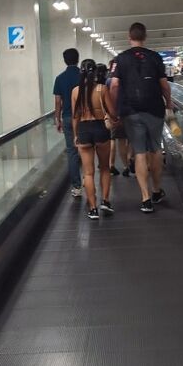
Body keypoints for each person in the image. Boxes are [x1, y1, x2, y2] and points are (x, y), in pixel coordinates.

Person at [110, 22, 172, 213]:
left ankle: (145, 199)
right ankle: (156, 190)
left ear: (129, 37)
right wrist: (169, 104)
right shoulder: (155, 57)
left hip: (131, 111)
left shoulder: (121, 59)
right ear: (145, 37)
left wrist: (114, 110)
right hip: (155, 109)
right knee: (155, 149)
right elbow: (164, 85)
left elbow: (114, 85)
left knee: (139, 152)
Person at [71, 58, 116, 219]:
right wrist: (115, 119)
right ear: (95, 72)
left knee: (88, 173)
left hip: (84, 130)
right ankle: (105, 201)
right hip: (100, 128)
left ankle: (92, 208)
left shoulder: (75, 91)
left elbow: (75, 117)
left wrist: (76, 135)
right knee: (104, 168)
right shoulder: (102, 89)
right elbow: (112, 112)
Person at [53, 47, 82, 198]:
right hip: (83, 118)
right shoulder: (83, 76)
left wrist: (57, 119)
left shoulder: (60, 78)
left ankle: (77, 187)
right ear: (78, 59)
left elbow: (58, 102)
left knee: (71, 151)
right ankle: (89, 179)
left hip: (67, 118)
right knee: (87, 149)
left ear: (65, 61)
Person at [104, 59, 130, 176]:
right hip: (125, 112)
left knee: (113, 139)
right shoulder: (127, 80)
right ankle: (126, 165)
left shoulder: (109, 81)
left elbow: (105, 98)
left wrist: (108, 113)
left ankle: (112, 165)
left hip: (113, 113)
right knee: (124, 140)